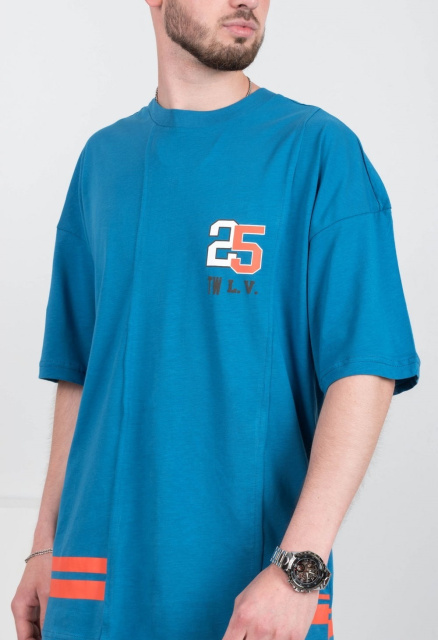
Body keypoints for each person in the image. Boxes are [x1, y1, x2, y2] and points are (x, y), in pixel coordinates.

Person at [11, 0, 421, 639]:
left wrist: (298, 570)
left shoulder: (318, 150)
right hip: (92, 581)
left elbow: (365, 368)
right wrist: (44, 544)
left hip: (250, 591)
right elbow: (80, 375)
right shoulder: (102, 161)